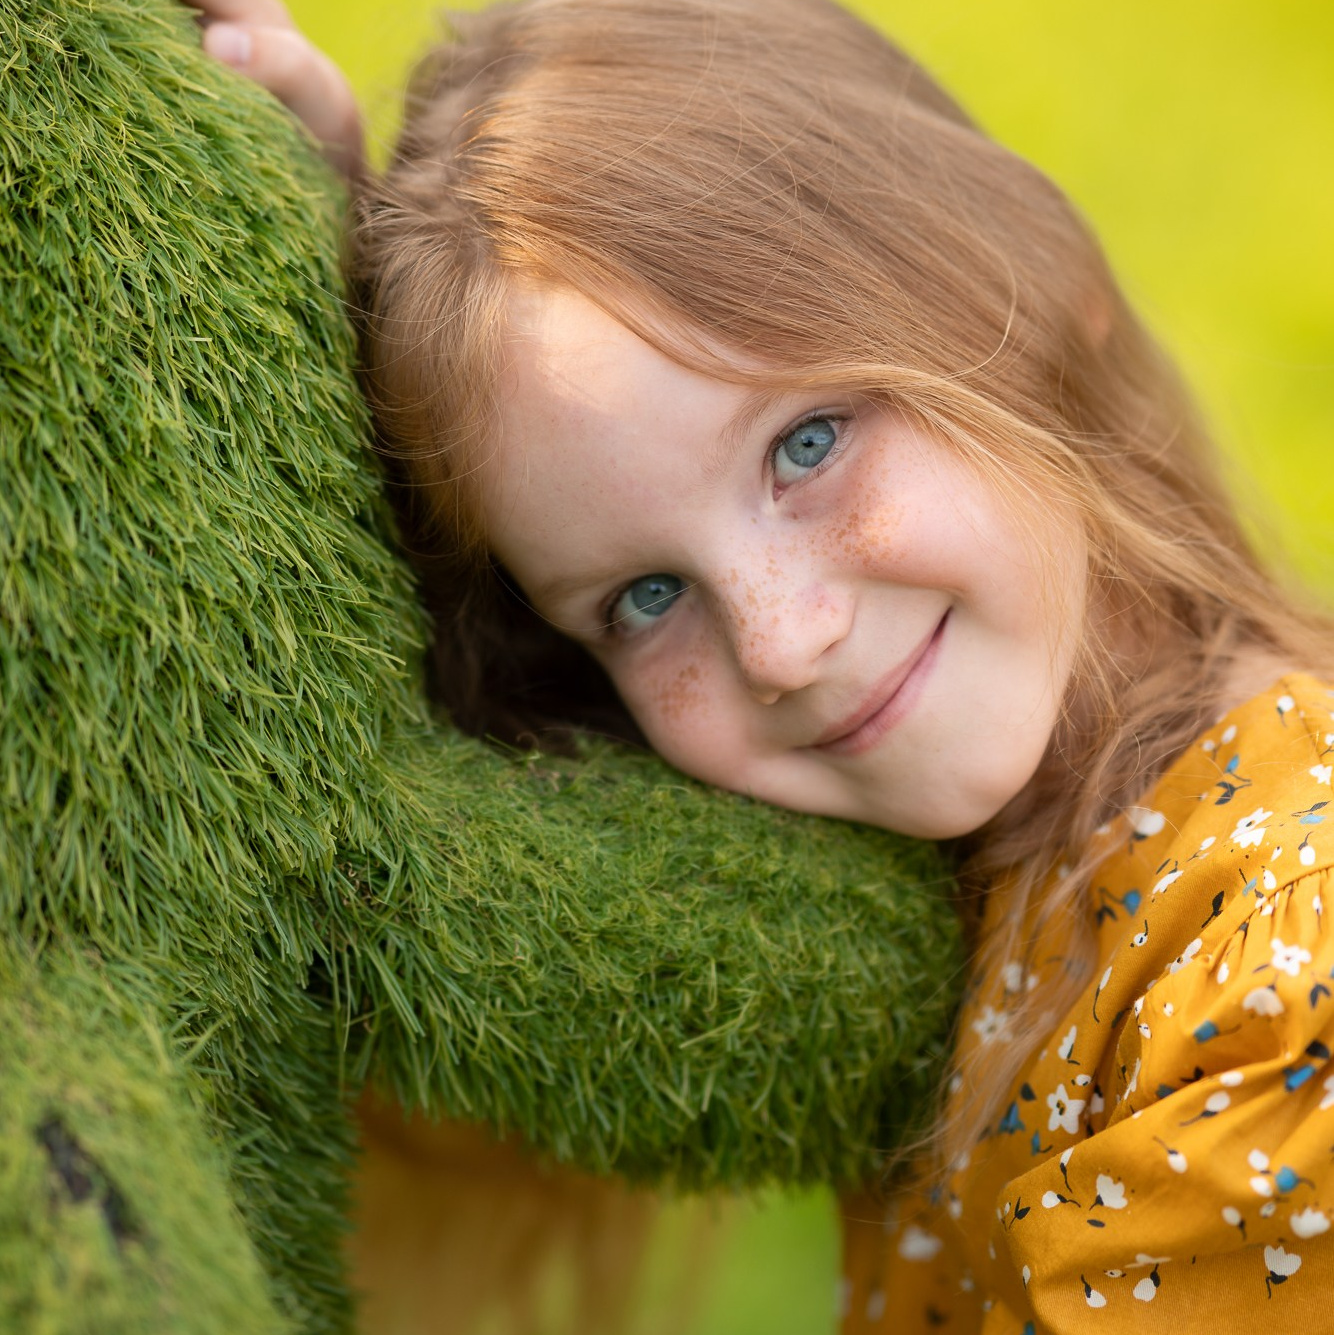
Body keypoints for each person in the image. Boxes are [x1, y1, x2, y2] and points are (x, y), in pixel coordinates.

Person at [195, 0, 1334, 1329]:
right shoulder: (966, 864)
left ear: (1030, 291)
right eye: (644, 597)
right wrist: (308, 287)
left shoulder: (1286, 963)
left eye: (807, 445)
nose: (782, 644)